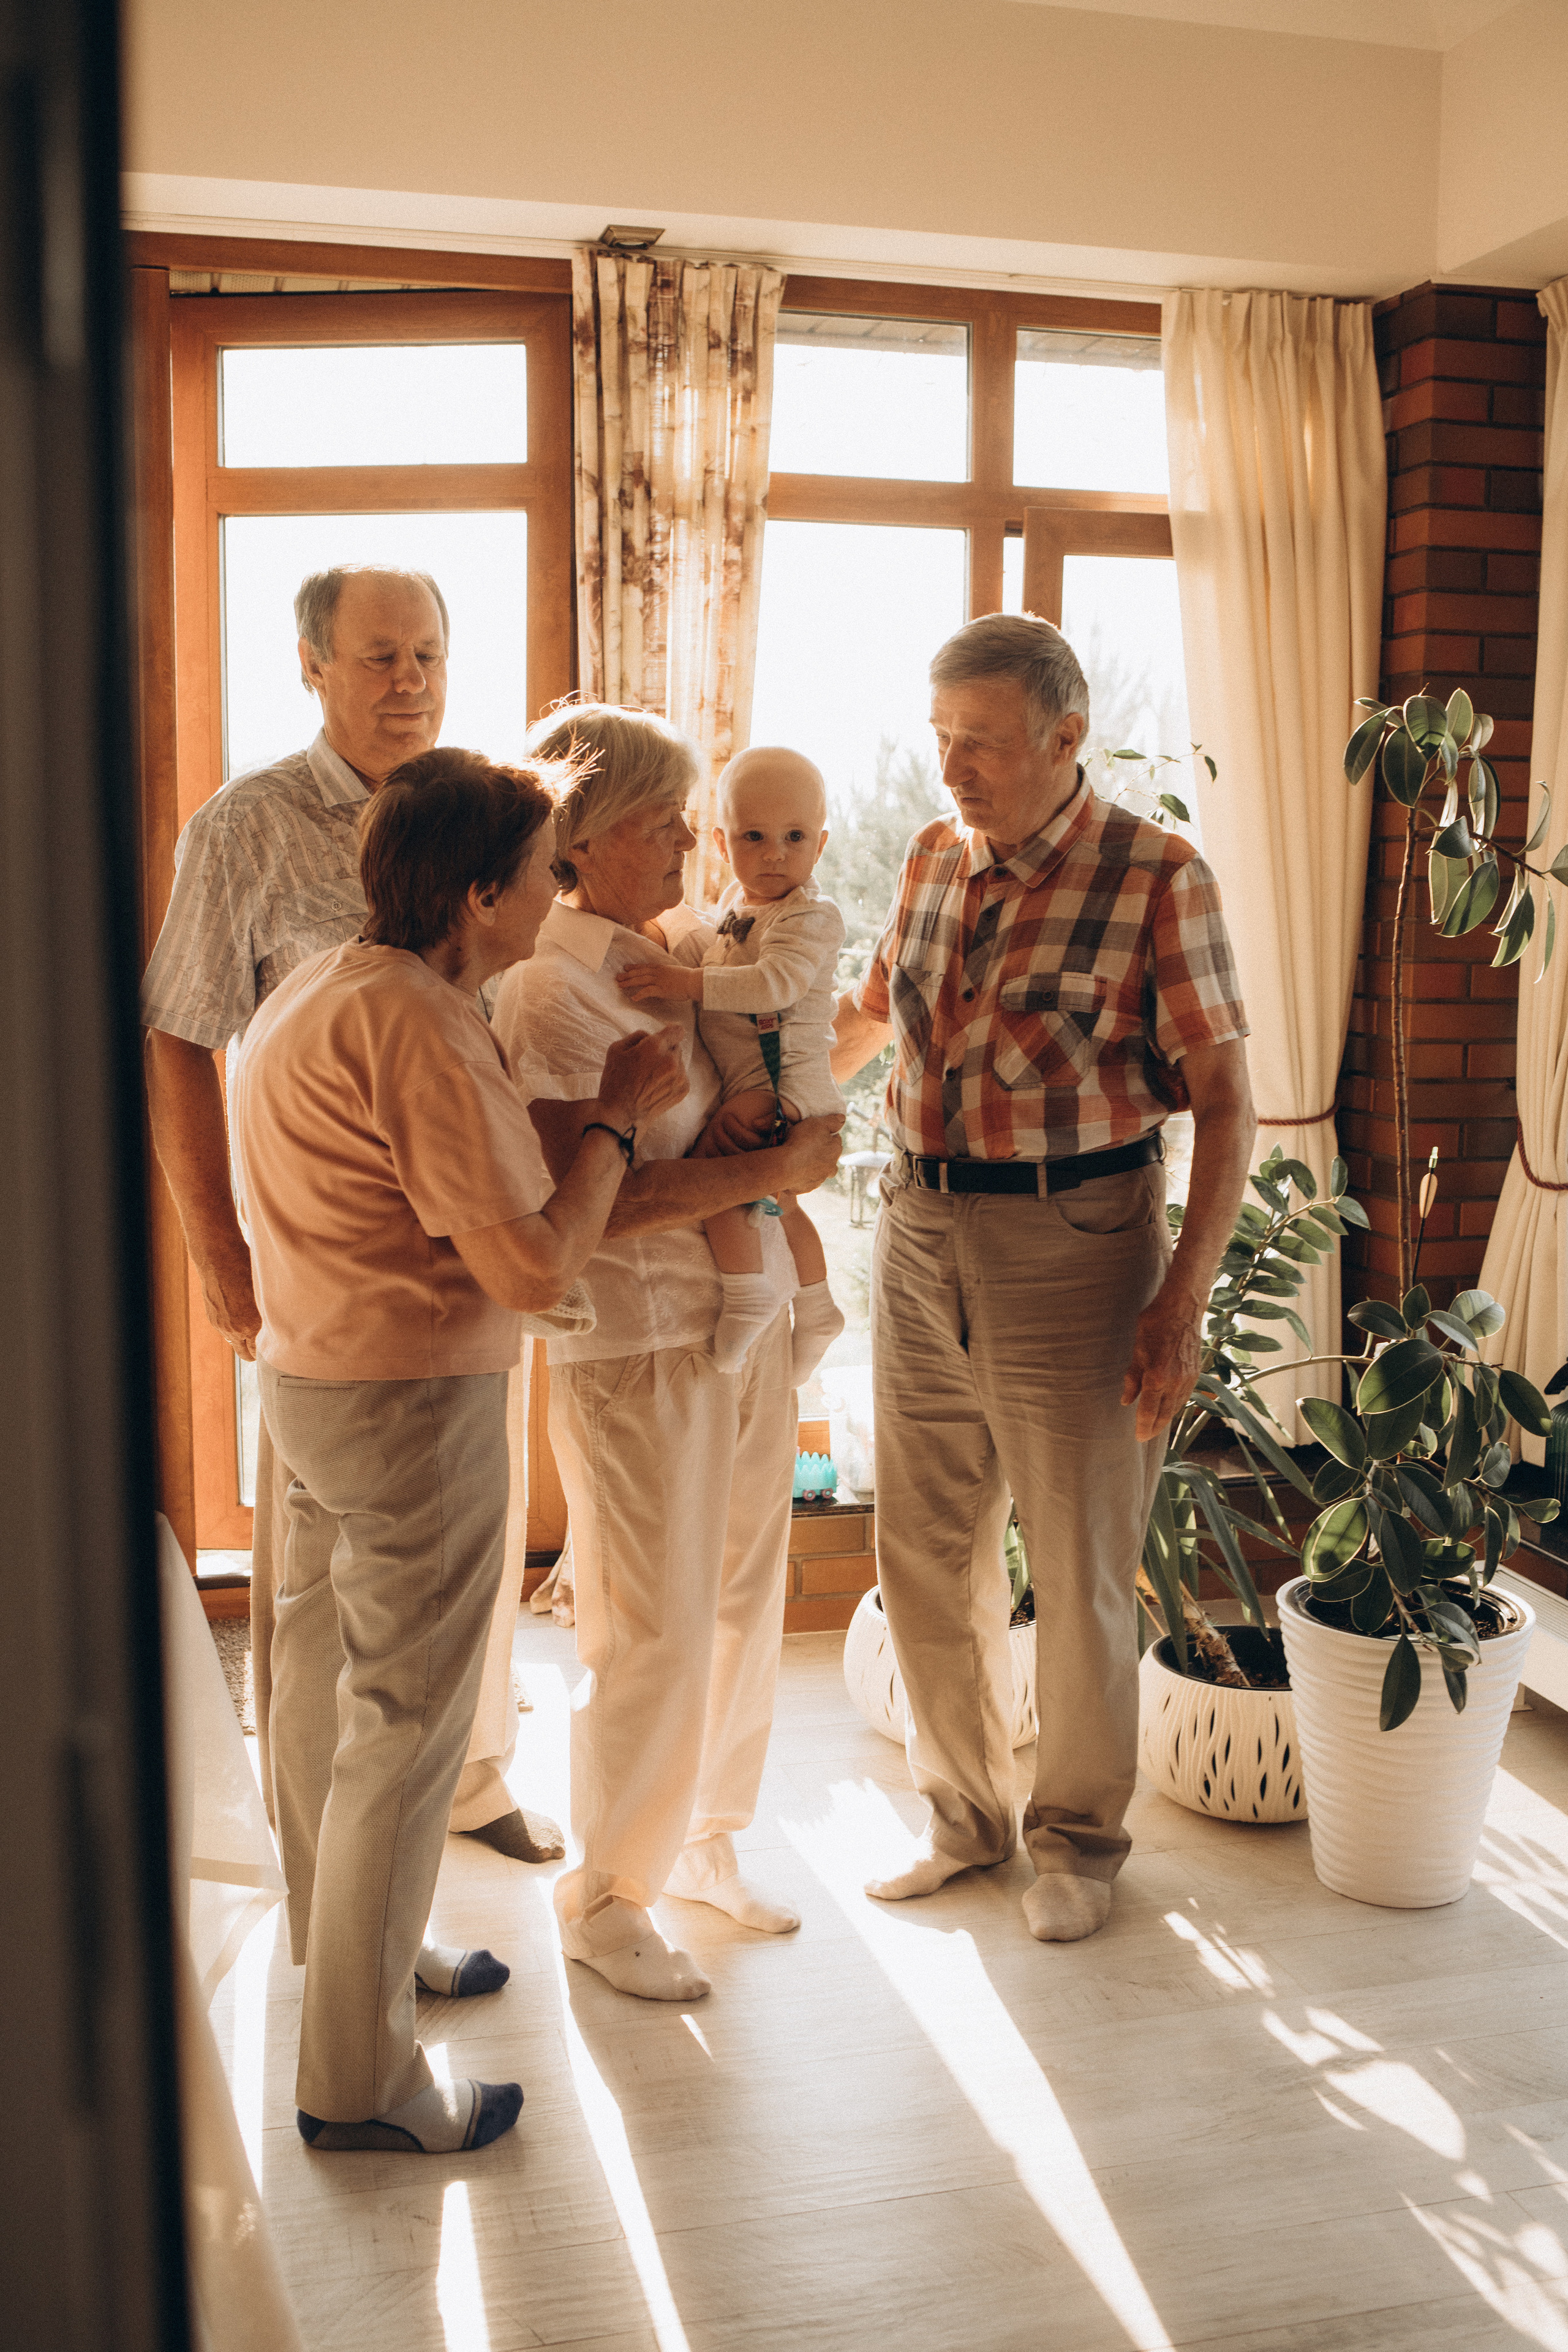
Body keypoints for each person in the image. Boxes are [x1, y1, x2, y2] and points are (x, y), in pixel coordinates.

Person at [230, 747, 687, 2152]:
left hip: (309, 1384)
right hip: (409, 1405)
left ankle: (351, 1970)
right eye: (550, 868)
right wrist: (613, 1112)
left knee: (317, 1700)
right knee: (407, 1731)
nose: (561, 890)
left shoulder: (321, 985)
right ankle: (359, 2082)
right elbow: (537, 1271)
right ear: (479, 891)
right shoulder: (422, 1022)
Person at [831, 614, 1256, 1945]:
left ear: (1065, 740)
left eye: (983, 746)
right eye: (940, 739)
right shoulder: (926, 859)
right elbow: (861, 1020)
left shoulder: (1156, 877)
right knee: (923, 1549)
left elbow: (1228, 1105)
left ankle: (1078, 1839)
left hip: (1073, 1248)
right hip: (915, 1230)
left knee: (1072, 1563)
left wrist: (1176, 1304)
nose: (953, 768)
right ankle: (963, 1817)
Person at [141, 564, 562, 1866]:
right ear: (313, 667)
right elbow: (178, 1039)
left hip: (477, 1263)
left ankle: (467, 1789)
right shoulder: (246, 827)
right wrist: (222, 1262)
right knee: (322, 1616)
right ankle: (336, 1895)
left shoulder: (485, 814)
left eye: (428, 654)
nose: (410, 682)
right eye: (379, 658)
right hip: (335, 1286)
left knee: (447, 1605)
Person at [493, 705, 843, 2001]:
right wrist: (775, 1168)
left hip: (726, 1332)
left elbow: (747, 1105)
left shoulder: (662, 959)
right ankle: (607, 1894)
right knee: (648, 1628)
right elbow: (570, 1209)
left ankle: (706, 1840)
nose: (691, 841)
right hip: (637, 1340)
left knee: (747, 1595)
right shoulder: (549, 986)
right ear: (580, 838)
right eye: (662, 822)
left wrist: (793, 1132)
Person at [617, 744, 846, 1380]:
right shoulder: (732, 912)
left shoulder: (811, 919)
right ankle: (818, 1306)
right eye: (754, 836)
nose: (775, 853)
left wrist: (684, 985)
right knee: (781, 1202)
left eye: (794, 837)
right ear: (722, 844)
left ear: (820, 846)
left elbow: (776, 984)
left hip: (782, 1084)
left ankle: (748, 1297)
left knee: (718, 1182)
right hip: (757, 1080)